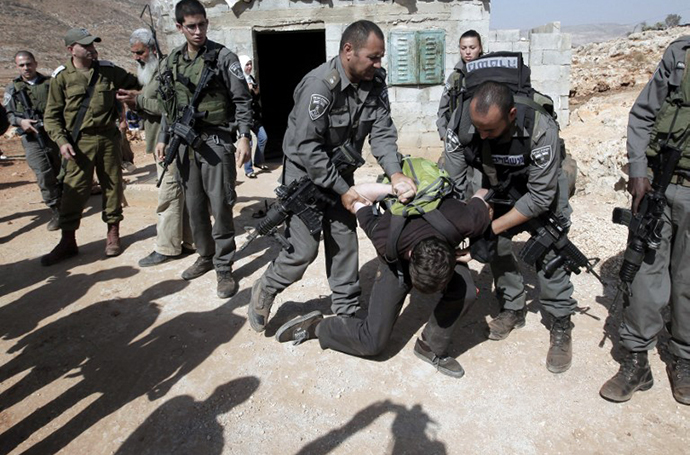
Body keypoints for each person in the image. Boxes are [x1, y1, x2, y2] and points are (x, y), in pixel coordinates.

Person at [247, 20, 417, 333]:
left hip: (340, 172)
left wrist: (394, 173)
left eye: (380, 58)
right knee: (303, 250)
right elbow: (309, 150)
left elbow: (381, 133)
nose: (379, 64)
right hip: (306, 177)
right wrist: (343, 189)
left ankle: (346, 308)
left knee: (344, 238)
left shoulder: (375, 83)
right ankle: (266, 287)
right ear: (348, 51)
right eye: (373, 57)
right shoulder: (319, 87)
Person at [274, 181, 492, 378]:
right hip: (396, 263)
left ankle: (430, 347)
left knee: (466, 291)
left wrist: (475, 250)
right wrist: (391, 188)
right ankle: (318, 327)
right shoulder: (385, 235)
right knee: (372, 343)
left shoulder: (466, 219)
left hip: (436, 246)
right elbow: (355, 199)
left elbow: (484, 194)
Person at [443, 81, 578, 374]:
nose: (482, 135)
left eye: (490, 130)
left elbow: (541, 196)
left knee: (550, 248)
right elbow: (452, 180)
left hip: (540, 187)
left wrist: (491, 226)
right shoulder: (461, 121)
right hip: (497, 182)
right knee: (497, 247)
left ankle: (560, 321)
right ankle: (513, 308)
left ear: (512, 114)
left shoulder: (540, 127)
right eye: (478, 129)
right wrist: (470, 222)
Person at [600, 36, 690, 405]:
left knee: (687, 278)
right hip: (661, 182)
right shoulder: (681, 56)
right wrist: (639, 169)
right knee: (643, 269)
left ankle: (684, 359)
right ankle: (636, 359)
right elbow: (642, 114)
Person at [155, 0, 252, 298]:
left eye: (203, 24)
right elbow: (169, 107)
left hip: (215, 141)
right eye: (192, 26)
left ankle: (224, 265)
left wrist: (245, 136)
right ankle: (205, 255)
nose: (199, 31)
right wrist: (162, 137)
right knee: (194, 205)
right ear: (179, 27)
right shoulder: (172, 61)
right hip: (184, 143)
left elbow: (242, 100)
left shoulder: (223, 57)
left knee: (220, 204)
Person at [41, 28, 139, 266]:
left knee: (113, 186)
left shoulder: (108, 70)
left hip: (108, 138)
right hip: (78, 143)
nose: (91, 49)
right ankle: (68, 241)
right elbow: (51, 117)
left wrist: (133, 98)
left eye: (93, 44)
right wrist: (62, 142)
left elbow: (138, 84)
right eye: (85, 45)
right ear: (70, 49)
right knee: (73, 191)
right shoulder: (62, 78)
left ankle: (113, 233)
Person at [117, 28, 195, 268]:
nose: (136, 57)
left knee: (168, 194)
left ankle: (167, 248)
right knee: (179, 193)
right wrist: (136, 96)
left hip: (169, 142)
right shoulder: (151, 71)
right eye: (133, 53)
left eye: (139, 52)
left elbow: (168, 107)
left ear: (151, 49)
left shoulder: (165, 69)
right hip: (159, 140)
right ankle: (188, 241)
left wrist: (137, 100)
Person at [3, 51, 62, 231]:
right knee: (43, 173)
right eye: (21, 65)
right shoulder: (12, 88)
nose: (26, 68)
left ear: (35, 64)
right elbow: (9, 114)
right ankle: (56, 210)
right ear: (17, 67)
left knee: (62, 170)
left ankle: (68, 204)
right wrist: (21, 122)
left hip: (53, 134)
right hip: (31, 138)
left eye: (29, 64)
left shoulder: (50, 84)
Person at [436, 30, 483, 141]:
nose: (467, 52)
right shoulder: (455, 77)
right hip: (458, 136)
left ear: (480, 48)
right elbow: (443, 108)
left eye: (472, 48)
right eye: (463, 48)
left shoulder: (490, 73)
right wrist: (444, 133)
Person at [238, 54, 269, 179]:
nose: (249, 66)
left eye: (250, 64)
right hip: (245, 118)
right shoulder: (239, 80)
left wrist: (255, 91)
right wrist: (247, 90)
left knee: (263, 137)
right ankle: (248, 169)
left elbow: (256, 97)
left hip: (255, 117)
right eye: (247, 64)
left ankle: (258, 161)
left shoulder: (251, 78)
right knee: (248, 143)